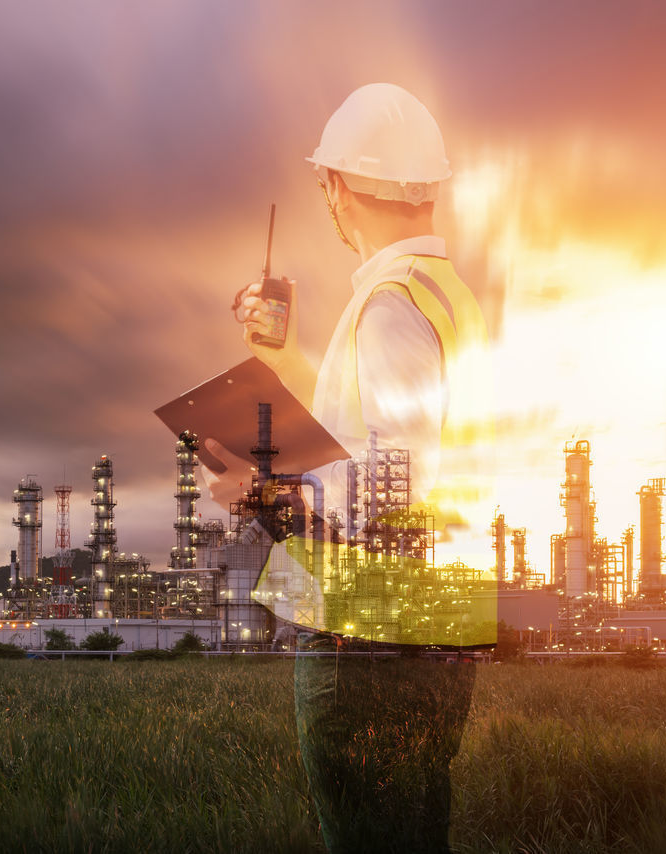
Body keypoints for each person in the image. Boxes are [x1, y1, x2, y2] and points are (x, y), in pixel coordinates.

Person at [202, 83, 493, 852]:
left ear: (337, 187)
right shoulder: (441, 296)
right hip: (427, 626)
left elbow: (390, 496)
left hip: (364, 638)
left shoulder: (389, 306)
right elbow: (382, 447)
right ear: (427, 187)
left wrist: (256, 493)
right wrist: (281, 358)